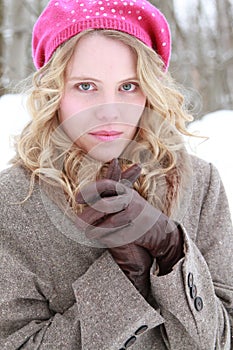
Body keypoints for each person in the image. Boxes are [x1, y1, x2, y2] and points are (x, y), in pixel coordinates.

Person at [0, 0, 232, 349]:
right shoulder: (14, 202)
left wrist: (172, 251)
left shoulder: (201, 183)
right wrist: (123, 281)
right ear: (54, 90)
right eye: (86, 86)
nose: (109, 112)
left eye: (128, 86)